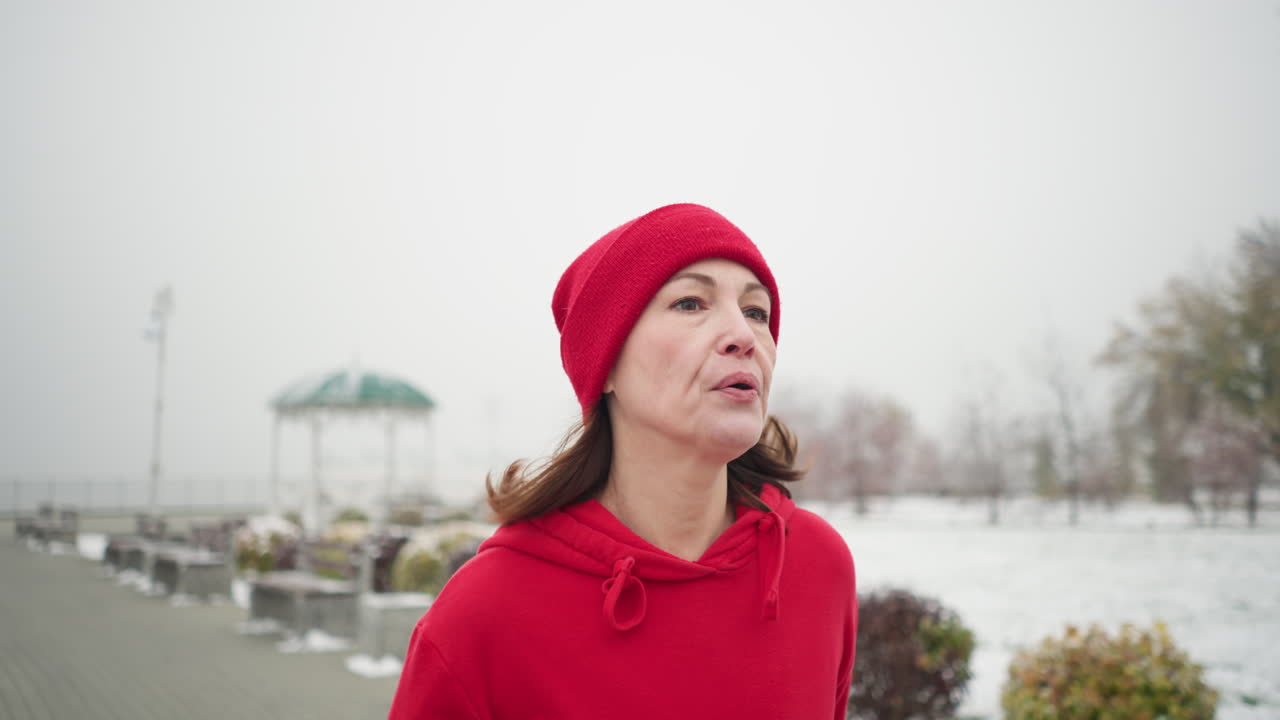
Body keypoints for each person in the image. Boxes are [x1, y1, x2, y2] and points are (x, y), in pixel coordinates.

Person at [388, 203, 857, 719]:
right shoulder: (484, 613)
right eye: (691, 303)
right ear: (605, 362)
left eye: (756, 312)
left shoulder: (818, 566)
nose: (744, 337)